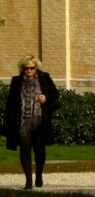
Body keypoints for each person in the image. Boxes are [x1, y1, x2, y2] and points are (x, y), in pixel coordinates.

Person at [5, 56, 60, 190]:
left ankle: (39, 175)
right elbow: (11, 103)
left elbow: (55, 94)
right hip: (23, 121)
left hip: (40, 121)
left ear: (36, 68)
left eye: (31, 68)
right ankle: (28, 181)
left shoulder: (44, 78)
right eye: (26, 68)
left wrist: (45, 99)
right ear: (22, 69)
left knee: (40, 150)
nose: (29, 70)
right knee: (25, 150)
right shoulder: (16, 81)